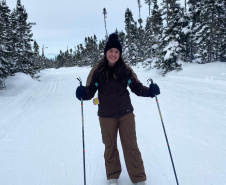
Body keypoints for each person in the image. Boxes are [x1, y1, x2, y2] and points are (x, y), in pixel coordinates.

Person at [76, 33, 160, 185]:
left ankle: (139, 178)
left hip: (125, 113)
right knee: (110, 146)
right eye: (111, 51)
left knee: (131, 145)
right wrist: (83, 93)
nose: (113, 54)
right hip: (106, 115)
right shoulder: (98, 70)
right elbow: (90, 91)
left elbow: (136, 86)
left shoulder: (125, 69)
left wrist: (150, 91)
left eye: (116, 51)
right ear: (106, 52)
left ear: (119, 54)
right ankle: (113, 176)